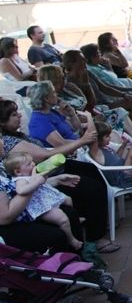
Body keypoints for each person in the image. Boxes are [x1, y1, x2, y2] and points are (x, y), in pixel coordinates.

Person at [0, 100, 120, 256]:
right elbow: (42, 160)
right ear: (2, 122)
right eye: (14, 115)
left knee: (93, 172)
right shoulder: (11, 142)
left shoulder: (18, 134)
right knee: (90, 190)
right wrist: (82, 142)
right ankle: (92, 240)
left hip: (46, 177)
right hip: (41, 180)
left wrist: (71, 115)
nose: (20, 115)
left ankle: (91, 237)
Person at [4, 153, 83, 251]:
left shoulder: (29, 174)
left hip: (46, 197)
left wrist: (46, 174)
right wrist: (36, 182)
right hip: (39, 205)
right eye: (29, 164)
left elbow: (43, 181)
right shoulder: (20, 180)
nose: (33, 164)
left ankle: (77, 219)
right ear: (18, 171)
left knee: (68, 199)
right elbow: (21, 191)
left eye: (32, 161)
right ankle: (71, 240)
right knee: (63, 219)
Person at [89, 121, 132, 188]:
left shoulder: (105, 148)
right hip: (122, 179)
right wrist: (88, 116)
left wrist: (123, 146)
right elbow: (92, 133)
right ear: (97, 139)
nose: (110, 138)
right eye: (107, 136)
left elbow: (116, 157)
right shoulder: (97, 153)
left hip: (124, 170)